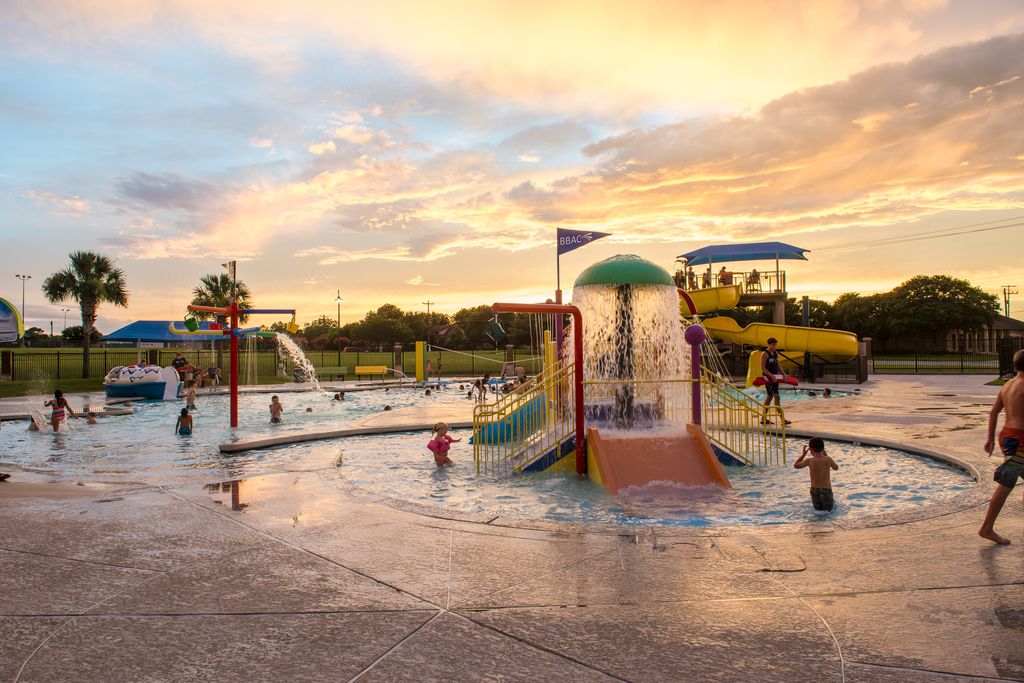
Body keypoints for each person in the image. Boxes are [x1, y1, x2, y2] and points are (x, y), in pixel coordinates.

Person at [979, 348, 1024, 545]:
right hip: (1019, 440)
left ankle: (987, 527)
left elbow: (993, 412)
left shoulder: (1007, 386)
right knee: (1006, 483)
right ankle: (986, 528)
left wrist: (990, 439)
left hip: (1007, 436)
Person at [794, 437, 838, 511]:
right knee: (828, 511)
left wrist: (803, 454)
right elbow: (836, 468)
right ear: (823, 449)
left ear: (810, 450)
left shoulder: (809, 461)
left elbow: (796, 465)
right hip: (826, 490)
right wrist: (825, 454)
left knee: (818, 512)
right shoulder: (828, 459)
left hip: (814, 491)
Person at [760, 338, 791, 425]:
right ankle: (782, 420)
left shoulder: (775, 354)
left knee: (770, 397)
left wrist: (784, 374)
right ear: (768, 345)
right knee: (775, 396)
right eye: (773, 345)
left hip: (775, 377)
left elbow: (778, 365)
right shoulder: (764, 354)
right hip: (767, 377)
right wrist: (771, 375)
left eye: (775, 345)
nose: (774, 346)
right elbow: (762, 368)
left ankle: (763, 419)